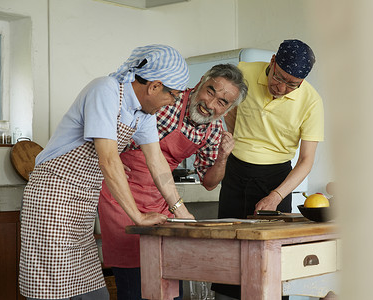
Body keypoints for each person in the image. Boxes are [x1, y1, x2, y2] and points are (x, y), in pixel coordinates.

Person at [19, 44, 191, 300]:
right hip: (52, 200)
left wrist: (181, 211)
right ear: (154, 86)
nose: (172, 103)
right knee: (53, 292)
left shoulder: (143, 114)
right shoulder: (106, 90)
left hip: (82, 207)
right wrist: (138, 216)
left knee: (94, 294)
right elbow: (108, 160)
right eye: (173, 95)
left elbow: (157, 162)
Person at [97, 63, 248, 300]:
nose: (210, 104)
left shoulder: (214, 130)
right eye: (210, 91)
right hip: (121, 194)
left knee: (166, 272)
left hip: (160, 197)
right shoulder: (168, 99)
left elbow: (209, 182)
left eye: (222, 102)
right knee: (134, 278)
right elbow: (109, 125)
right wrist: (111, 155)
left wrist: (222, 158)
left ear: (228, 110)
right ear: (199, 84)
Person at [213, 39, 324, 300]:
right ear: (272, 61)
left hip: (277, 179)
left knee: (271, 263)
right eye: (279, 78)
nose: (282, 88)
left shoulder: (312, 102)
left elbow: (306, 160)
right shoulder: (243, 73)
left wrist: (276, 196)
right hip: (236, 174)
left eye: (292, 84)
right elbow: (228, 110)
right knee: (227, 254)